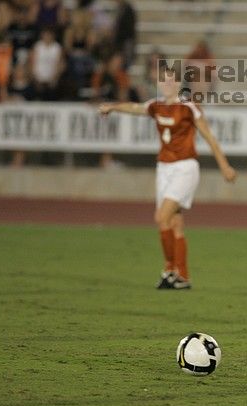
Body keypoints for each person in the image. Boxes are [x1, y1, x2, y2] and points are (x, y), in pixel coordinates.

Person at [98, 71, 237, 289]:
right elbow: (135, 108)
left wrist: (225, 165)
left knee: (162, 217)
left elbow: (209, 136)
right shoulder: (156, 105)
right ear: (158, 83)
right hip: (164, 168)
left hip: (185, 167)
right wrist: (112, 107)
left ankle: (169, 269)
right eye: (164, 80)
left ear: (179, 83)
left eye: (172, 80)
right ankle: (182, 276)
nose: (168, 84)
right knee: (174, 223)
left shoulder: (188, 107)